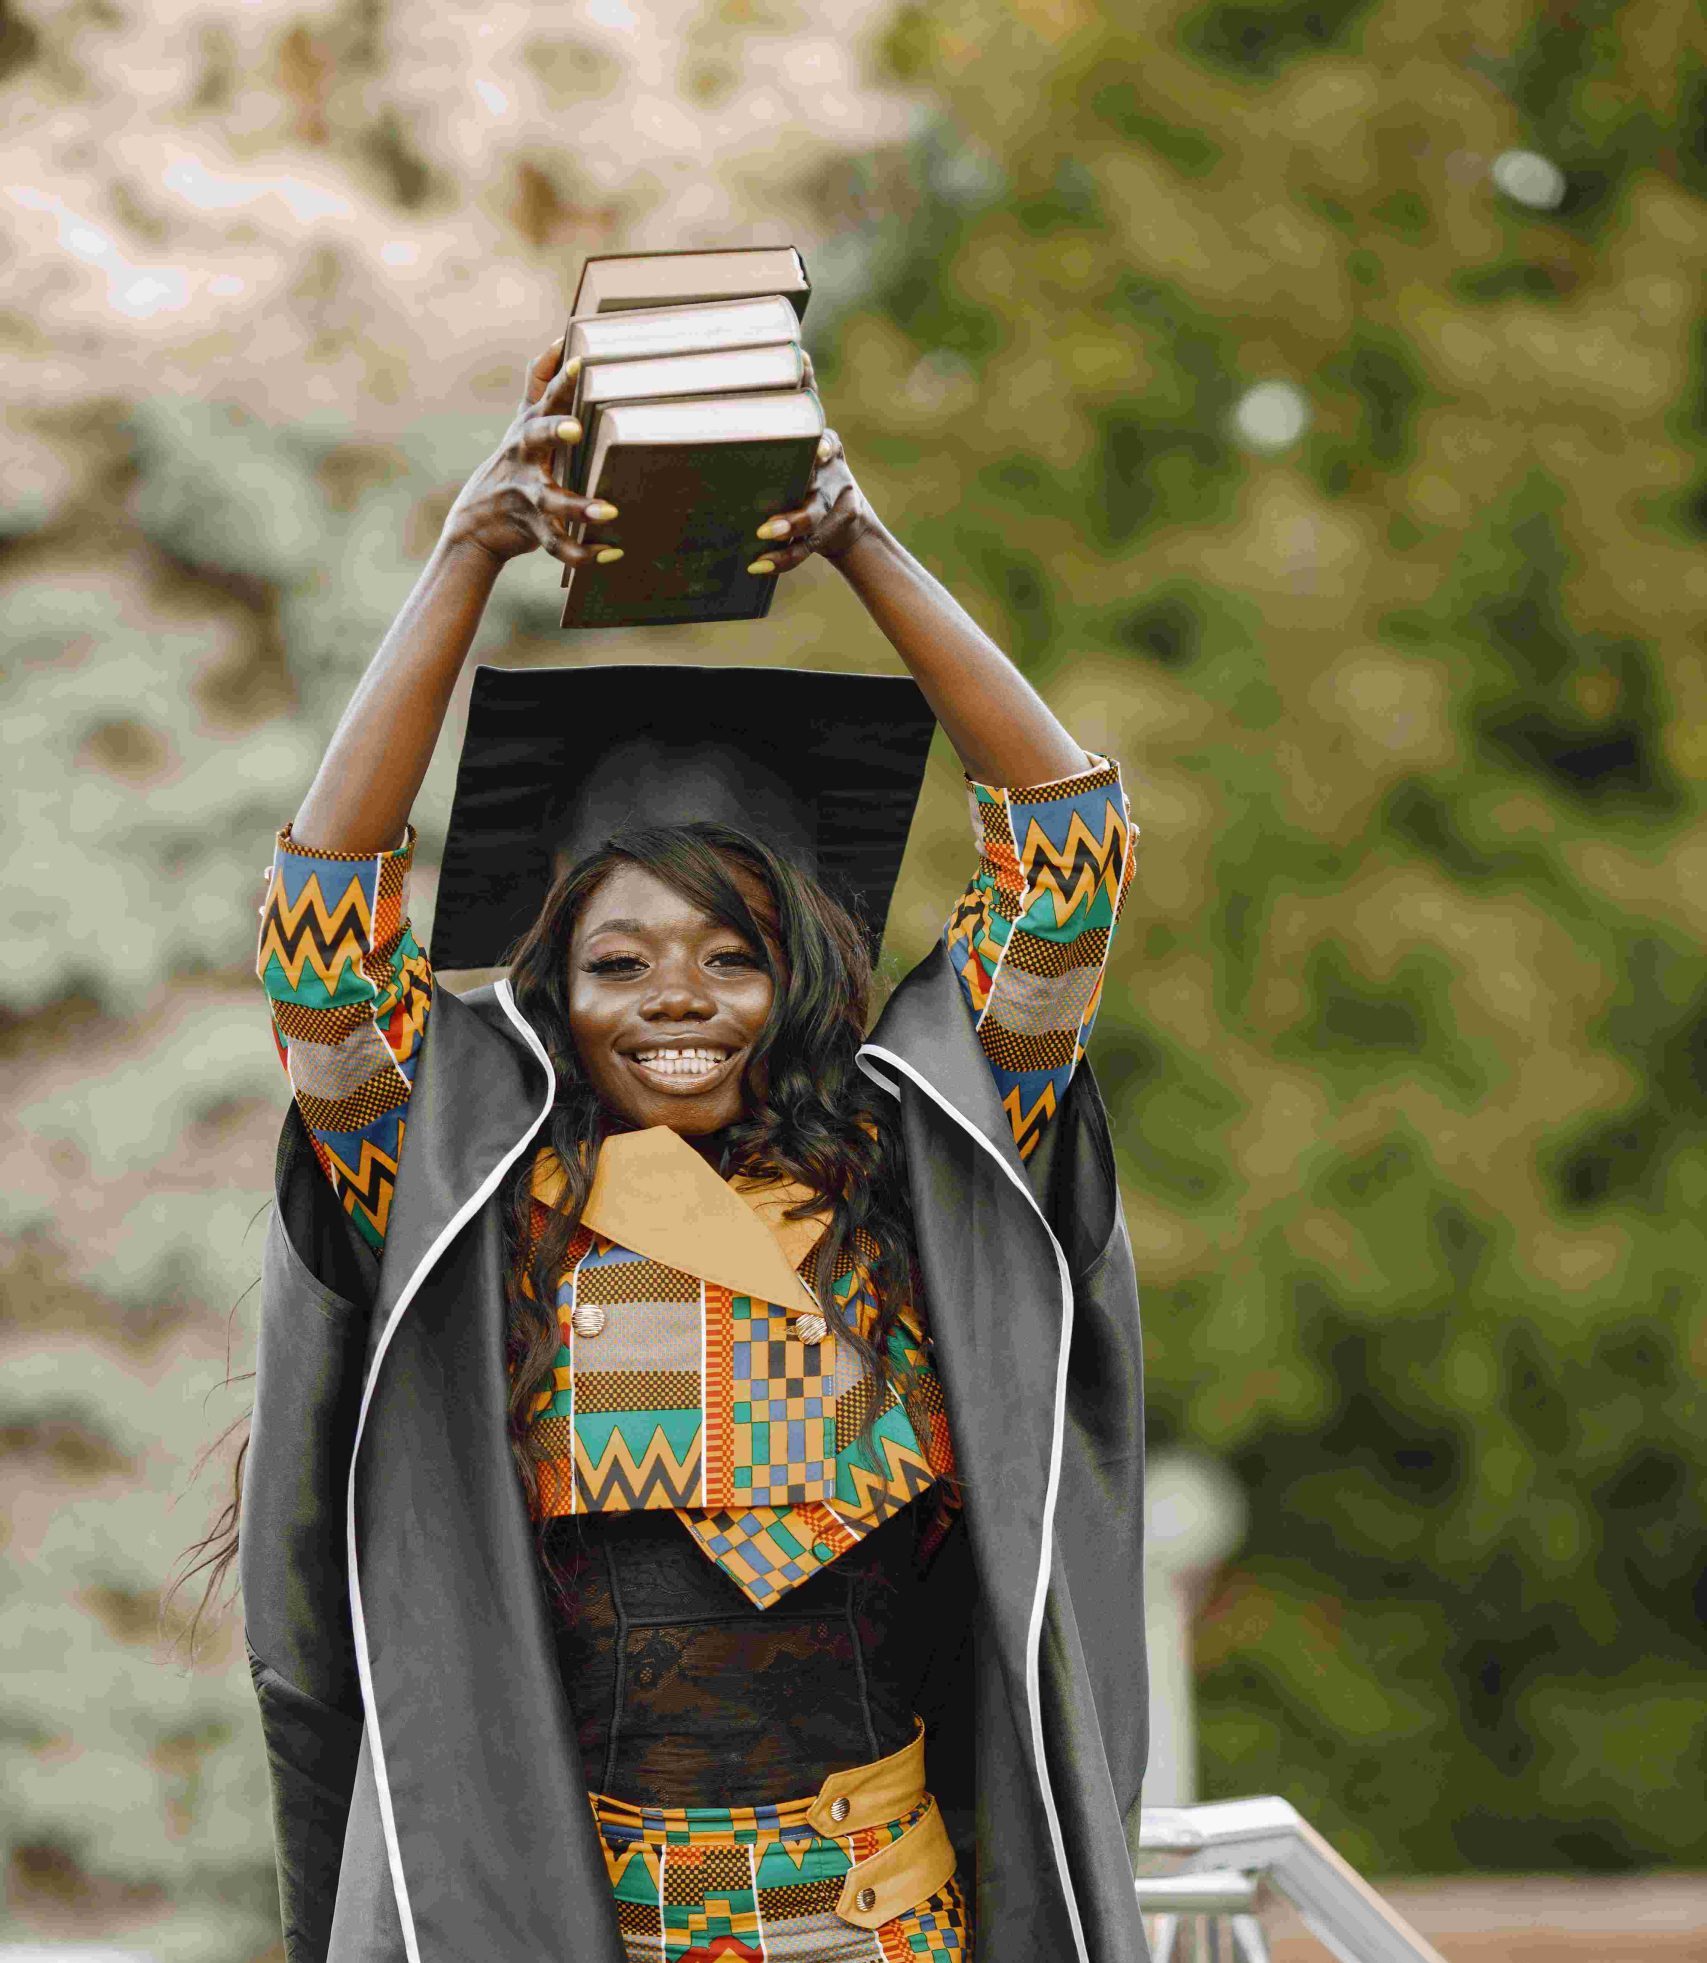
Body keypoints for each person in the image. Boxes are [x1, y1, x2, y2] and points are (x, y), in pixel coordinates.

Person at [233, 334, 1152, 1963]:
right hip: (588, 1921)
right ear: (552, 986)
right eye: (618, 961)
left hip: (882, 1927)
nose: (679, 1001)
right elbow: (321, 949)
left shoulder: (919, 1157)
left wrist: (859, 537)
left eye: (732, 954)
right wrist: (466, 552)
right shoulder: (470, 1195)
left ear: (794, 968)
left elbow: (1069, 850)